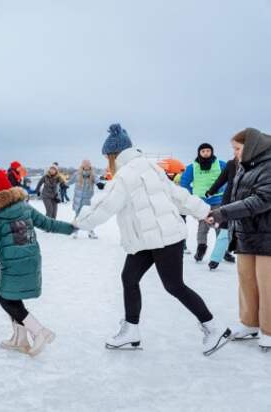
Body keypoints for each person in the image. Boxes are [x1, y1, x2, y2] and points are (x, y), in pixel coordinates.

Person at [75, 125, 231, 356]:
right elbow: (177, 194)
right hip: (148, 238)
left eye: (107, 157)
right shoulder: (149, 166)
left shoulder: (125, 175)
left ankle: (213, 328)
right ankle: (131, 330)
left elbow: (105, 206)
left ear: (113, 155)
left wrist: (78, 222)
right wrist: (203, 210)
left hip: (165, 237)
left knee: (174, 285)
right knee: (129, 277)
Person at [0, 185, 75, 356]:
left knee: (7, 301)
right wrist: (70, 227)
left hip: (13, 264)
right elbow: (49, 223)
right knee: (13, 298)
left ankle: (39, 331)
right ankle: (20, 339)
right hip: (32, 259)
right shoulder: (25, 208)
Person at [206, 128, 271, 352]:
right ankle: (250, 323)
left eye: (237, 148)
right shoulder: (245, 166)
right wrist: (225, 216)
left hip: (267, 235)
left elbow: (262, 200)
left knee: (267, 284)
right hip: (246, 233)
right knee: (247, 282)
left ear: (251, 147)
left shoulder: (269, 165)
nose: (234, 153)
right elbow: (236, 196)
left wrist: (224, 212)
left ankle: (269, 330)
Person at [180, 143, 227, 262]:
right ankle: (201, 249)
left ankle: (223, 251)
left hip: (218, 200)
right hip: (201, 203)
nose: (206, 153)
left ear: (212, 152)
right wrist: (192, 195)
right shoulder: (192, 167)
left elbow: (230, 178)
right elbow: (184, 183)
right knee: (203, 227)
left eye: (208, 151)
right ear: (199, 153)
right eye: (203, 151)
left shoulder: (221, 164)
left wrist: (226, 191)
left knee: (219, 226)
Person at [205, 151, 239, 270]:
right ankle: (215, 259)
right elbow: (221, 180)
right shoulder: (231, 164)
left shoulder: (255, 165)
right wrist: (211, 191)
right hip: (229, 202)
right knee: (224, 231)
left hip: (247, 203)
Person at [72, 159, 100, 239]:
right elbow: (70, 181)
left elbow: (97, 180)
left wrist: (99, 184)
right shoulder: (77, 174)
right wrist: (64, 184)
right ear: (82, 165)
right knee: (77, 215)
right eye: (85, 164)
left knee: (88, 216)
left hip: (88, 199)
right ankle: (75, 231)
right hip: (78, 199)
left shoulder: (93, 174)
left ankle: (91, 232)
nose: (87, 165)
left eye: (88, 164)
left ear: (90, 165)